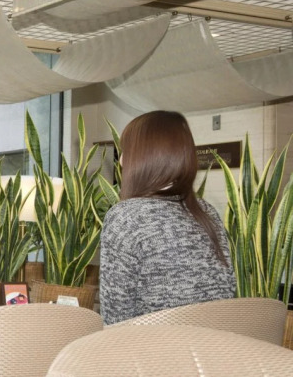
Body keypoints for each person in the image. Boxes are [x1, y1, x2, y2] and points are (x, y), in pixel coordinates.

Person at [99, 111, 235, 325]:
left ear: (146, 158)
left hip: (154, 345)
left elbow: (116, 317)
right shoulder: (207, 212)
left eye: (126, 151)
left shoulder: (126, 216)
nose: (122, 160)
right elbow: (226, 292)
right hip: (212, 342)